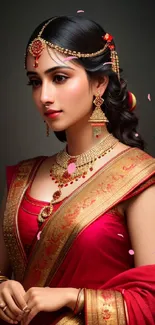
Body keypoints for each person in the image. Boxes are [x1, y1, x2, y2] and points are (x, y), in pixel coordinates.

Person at [0, 15, 155, 325]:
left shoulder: (137, 176)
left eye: (58, 78)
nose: (44, 96)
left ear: (100, 82)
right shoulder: (25, 176)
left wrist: (73, 296)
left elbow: (151, 302)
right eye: (35, 81)